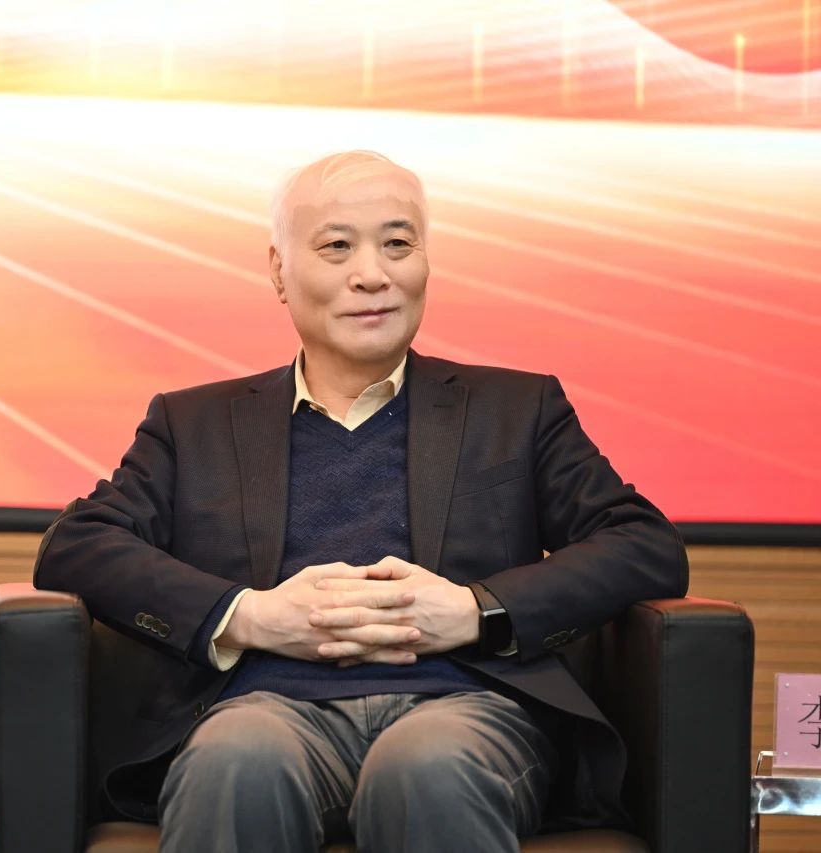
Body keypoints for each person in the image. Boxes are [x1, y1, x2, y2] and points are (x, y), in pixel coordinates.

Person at [34, 150, 688, 852]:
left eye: (398, 244)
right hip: (264, 709)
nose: (373, 273)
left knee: (426, 768)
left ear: (427, 262)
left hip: (466, 711)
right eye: (337, 246)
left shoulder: (516, 409)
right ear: (279, 270)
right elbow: (78, 546)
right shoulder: (193, 424)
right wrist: (250, 616)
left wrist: (475, 611)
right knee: (234, 762)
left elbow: (643, 545)